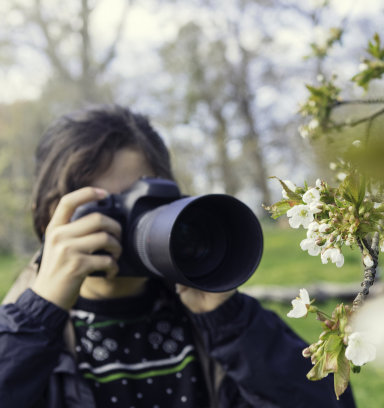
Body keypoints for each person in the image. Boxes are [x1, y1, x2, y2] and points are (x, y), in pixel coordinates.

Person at [0, 105, 356, 407]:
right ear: (47, 217)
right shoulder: (28, 329)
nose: (121, 226)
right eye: (99, 206)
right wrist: (40, 313)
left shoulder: (209, 317)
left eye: (140, 202)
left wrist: (229, 320)